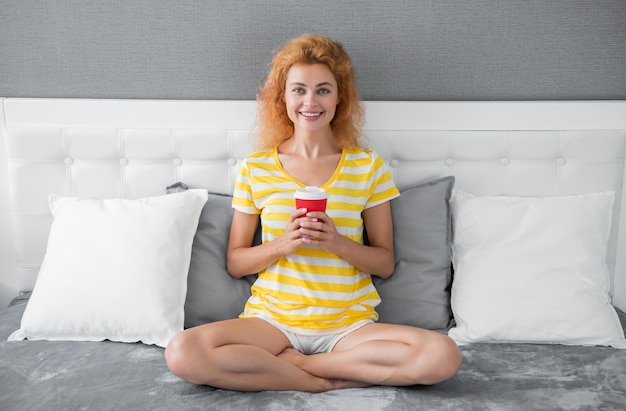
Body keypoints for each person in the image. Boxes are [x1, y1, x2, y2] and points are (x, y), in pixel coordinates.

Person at [165, 34, 461, 392]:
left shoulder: (367, 167)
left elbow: (384, 263)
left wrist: (336, 241)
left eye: (323, 90)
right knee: (183, 351)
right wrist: (282, 244)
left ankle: (303, 367)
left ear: (340, 98)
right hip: (272, 322)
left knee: (442, 354)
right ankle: (324, 383)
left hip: (349, 326)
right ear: (283, 97)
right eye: (299, 90)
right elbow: (236, 262)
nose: (310, 101)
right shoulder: (256, 168)